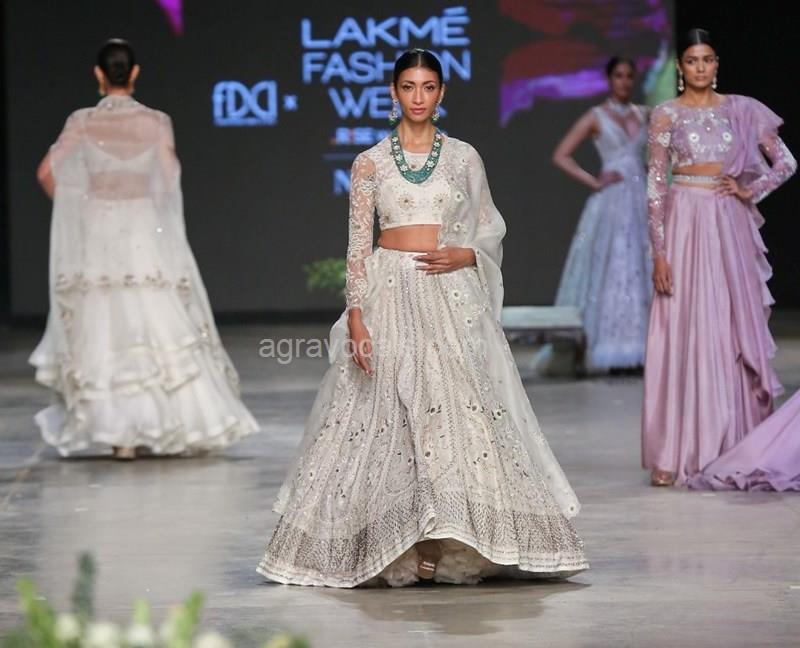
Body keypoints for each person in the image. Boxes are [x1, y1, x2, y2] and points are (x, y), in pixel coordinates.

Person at [257, 49, 588, 587]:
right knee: (387, 417)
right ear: (393, 92)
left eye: (428, 87)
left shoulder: (463, 157)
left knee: (455, 415)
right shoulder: (369, 163)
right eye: (408, 86)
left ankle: (452, 538)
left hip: (449, 293)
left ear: (441, 93)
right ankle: (396, 542)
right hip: (388, 293)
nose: (418, 97)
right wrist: (357, 317)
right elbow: (357, 248)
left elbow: (489, 227)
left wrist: (467, 253)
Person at [30, 39, 259, 459]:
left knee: (105, 324)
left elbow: (47, 172)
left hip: (98, 232)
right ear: (134, 74)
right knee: (153, 319)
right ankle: (163, 423)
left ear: (99, 75)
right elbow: (167, 182)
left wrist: (79, 207)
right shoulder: (156, 122)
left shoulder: (82, 121)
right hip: (142, 229)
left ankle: (122, 438)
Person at [641, 29, 796, 487]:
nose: (700, 67)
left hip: (728, 223)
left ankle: (732, 441)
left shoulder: (741, 109)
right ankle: (673, 452)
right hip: (684, 221)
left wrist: (750, 190)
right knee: (682, 324)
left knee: (728, 325)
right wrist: (659, 255)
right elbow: (656, 186)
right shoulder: (666, 114)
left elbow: (786, 162)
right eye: (692, 60)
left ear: (717, 64)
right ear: (681, 68)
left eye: (707, 59)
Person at [538, 56, 652, 375]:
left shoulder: (645, 114)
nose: (624, 81)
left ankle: (644, 347)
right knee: (613, 268)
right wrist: (594, 181)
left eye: (629, 76)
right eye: (618, 75)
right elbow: (561, 155)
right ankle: (612, 347)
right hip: (612, 203)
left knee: (641, 268)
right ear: (609, 80)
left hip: (641, 199)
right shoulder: (596, 116)